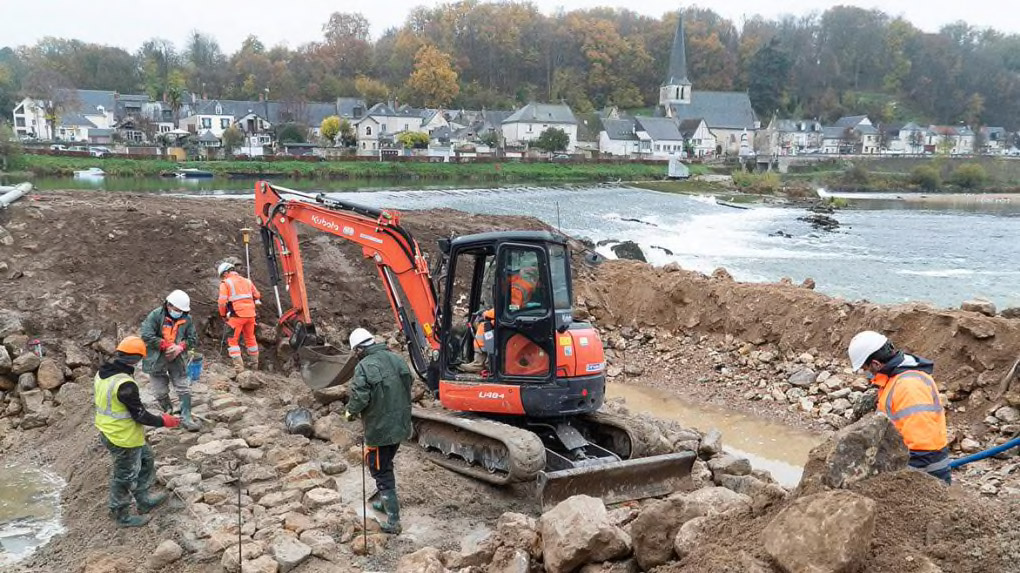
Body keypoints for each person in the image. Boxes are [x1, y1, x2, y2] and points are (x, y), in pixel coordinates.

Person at [94, 336, 181, 527]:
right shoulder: (125, 384)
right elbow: (139, 415)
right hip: (122, 437)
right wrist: (164, 421)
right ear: (137, 359)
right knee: (125, 476)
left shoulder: (104, 372)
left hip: (110, 430)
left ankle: (143, 499)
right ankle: (121, 515)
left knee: (146, 460)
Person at [848, 331, 951, 484]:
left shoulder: (908, 385)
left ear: (876, 364)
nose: (867, 373)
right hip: (908, 458)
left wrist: (901, 473)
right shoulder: (894, 379)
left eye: (866, 368)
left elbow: (921, 442)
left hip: (925, 470)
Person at [343, 328, 412, 534]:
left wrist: (349, 413)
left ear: (359, 349)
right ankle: (384, 502)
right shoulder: (396, 358)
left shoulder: (364, 366)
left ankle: (393, 520)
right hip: (400, 424)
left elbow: (360, 397)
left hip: (380, 429)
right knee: (387, 461)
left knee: (380, 469)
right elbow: (409, 382)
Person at [140, 289, 199, 431]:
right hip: (156, 358)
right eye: (176, 310)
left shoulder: (187, 319)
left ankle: (186, 415)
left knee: (183, 386)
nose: (179, 313)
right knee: (159, 391)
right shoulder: (155, 316)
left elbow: (193, 338)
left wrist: (180, 347)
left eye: (181, 311)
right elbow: (146, 335)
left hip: (177, 358)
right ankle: (169, 410)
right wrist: (166, 345)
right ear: (168, 305)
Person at [217, 262, 262, 375]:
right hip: (251, 315)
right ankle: (254, 365)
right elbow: (257, 295)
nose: (222, 277)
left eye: (223, 275)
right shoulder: (247, 281)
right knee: (250, 338)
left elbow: (222, 302)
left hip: (236, 315)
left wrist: (223, 315)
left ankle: (239, 369)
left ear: (226, 273)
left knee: (232, 341)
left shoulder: (225, 283)